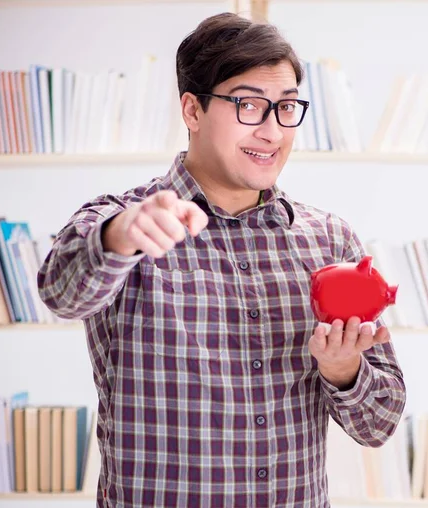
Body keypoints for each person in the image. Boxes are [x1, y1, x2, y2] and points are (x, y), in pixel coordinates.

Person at [38, 12, 406, 508]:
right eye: (249, 106)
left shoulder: (330, 240)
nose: (273, 132)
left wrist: (343, 370)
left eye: (287, 107)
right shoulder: (125, 223)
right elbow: (61, 292)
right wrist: (121, 235)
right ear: (192, 110)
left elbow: (380, 424)